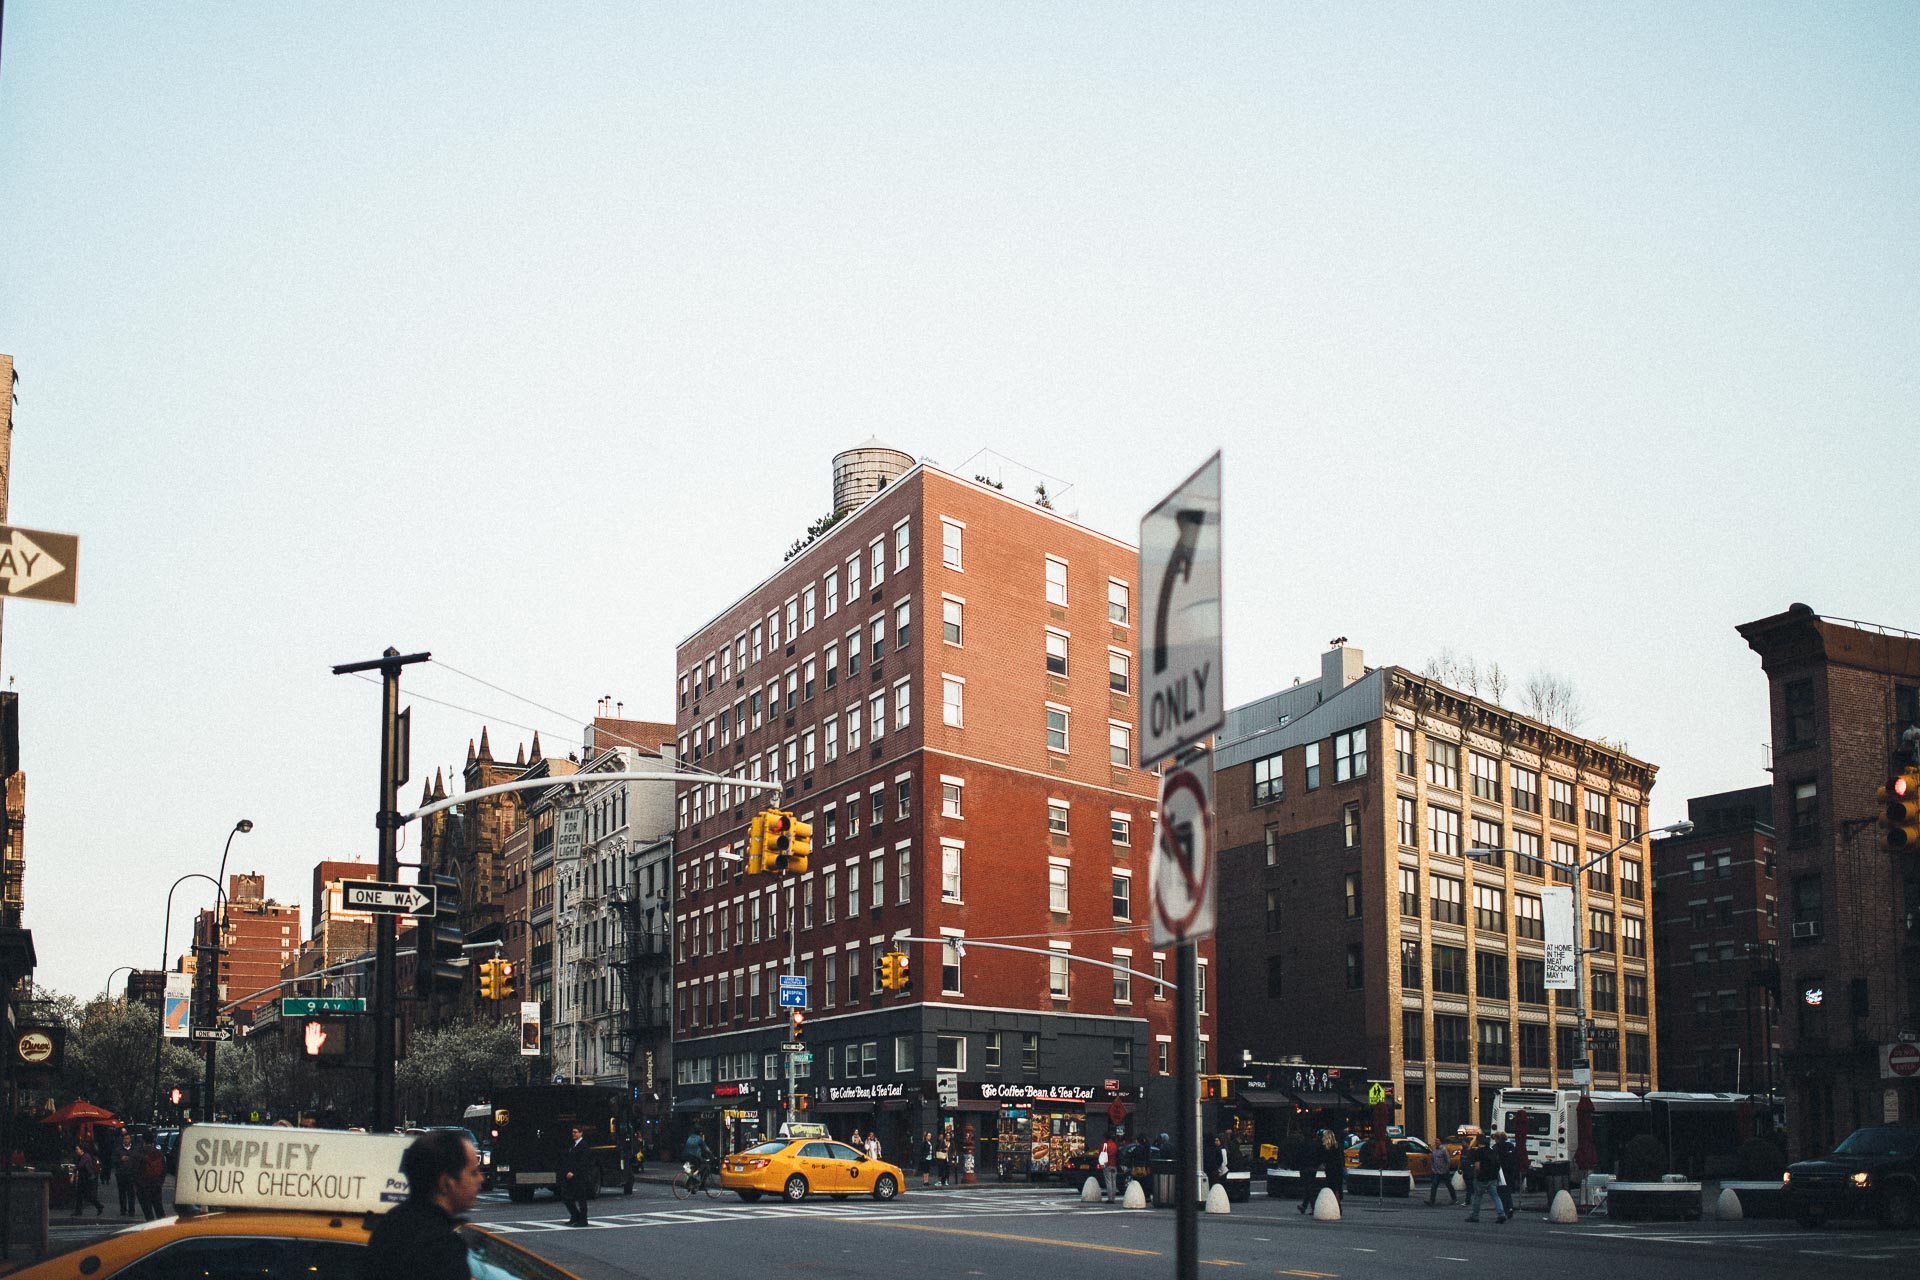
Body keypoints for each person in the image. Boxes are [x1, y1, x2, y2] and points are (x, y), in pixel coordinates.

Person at [363, 1129, 484, 1280]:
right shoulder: (442, 1248)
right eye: (473, 1173)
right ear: (445, 1183)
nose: (480, 1179)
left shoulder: (391, 1223)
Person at [1464, 1138, 1506, 1223]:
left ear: (1479, 1142)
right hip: (1493, 1177)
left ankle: (1475, 1216)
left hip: (1481, 1178)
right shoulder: (1492, 1151)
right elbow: (1498, 1164)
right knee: (1495, 1196)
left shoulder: (1478, 1152)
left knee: (1477, 1197)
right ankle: (1501, 1214)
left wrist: (1476, 1175)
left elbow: (1477, 1166)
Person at [558, 1125, 592, 1227]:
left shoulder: (583, 1145)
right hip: (571, 1176)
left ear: (581, 1133)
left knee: (581, 1199)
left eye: (576, 1132)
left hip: (579, 1177)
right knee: (566, 1197)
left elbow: (583, 1162)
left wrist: (574, 1172)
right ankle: (575, 1216)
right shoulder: (573, 1145)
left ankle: (583, 1220)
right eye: (573, 1132)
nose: (573, 1134)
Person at [130, 1135, 166, 1221]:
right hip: (156, 1184)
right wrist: (160, 1181)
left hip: (143, 1186)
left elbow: (134, 1170)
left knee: (148, 1211)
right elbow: (164, 1169)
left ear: (143, 1141)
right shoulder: (158, 1153)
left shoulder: (139, 1153)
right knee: (159, 1209)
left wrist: (136, 1184)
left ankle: (151, 1229)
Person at [1495, 1132, 1524, 1220]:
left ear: (1498, 1139)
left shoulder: (1496, 1148)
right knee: (1507, 1191)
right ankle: (1510, 1207)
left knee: (1500, 1192)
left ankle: (1505, 1209)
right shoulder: (1511, 1146)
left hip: (1500, 1172)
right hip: (1510, 1171)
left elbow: (1495, 1160)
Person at [71, 1143, 104, 1217]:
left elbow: (80, 1166)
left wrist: (74, 1168)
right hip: (83, 1178)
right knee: (80, 1195)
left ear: (81, 1149)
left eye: (77, 1149)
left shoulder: (85, 1156)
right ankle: (78, 1211)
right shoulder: (80, 1157)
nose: (76, 1151)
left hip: (87, 1179)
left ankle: (99, 1206)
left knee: (88, 1195)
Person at [114, 1131, 138, 1216]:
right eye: (125, 1139)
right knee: (122, 1193)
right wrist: (120, 1159)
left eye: (128, 1138)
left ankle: (132, 1210)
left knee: (131, 1193)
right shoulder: (118, 1149)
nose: (126, 1140)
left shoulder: (134, 1149)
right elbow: (113, 1160)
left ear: (130, 1139)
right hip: (121, 1174)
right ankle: (123, 1210)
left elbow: (137, 1160)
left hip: (131, 1174)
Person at [1426, 1141, 1457, 1205]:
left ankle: (1454, 1198)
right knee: (1434, 1186)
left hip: (1444, 1171)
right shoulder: (1434, 1151)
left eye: (1437, 1142)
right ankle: (1432, 1200)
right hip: (1437, 1172)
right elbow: (1432, 1160)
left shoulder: (1443, 1150)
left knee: (1449, 1185)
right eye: (1435, 1142)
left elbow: (1447, 1160)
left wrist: (1446, 1169)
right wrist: (1433, 1169)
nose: (1436, 1144)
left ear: (1440, 1143)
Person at [1098, 1133, 1120, 1202]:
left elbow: (1101, 1154)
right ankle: (1113, 1197)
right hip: (1114, 1164)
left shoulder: (1104, 1145)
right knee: (1114, 1181)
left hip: (1107, 1165)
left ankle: (1110, 1198)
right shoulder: (1115, 1145)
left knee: (1108, 1182)